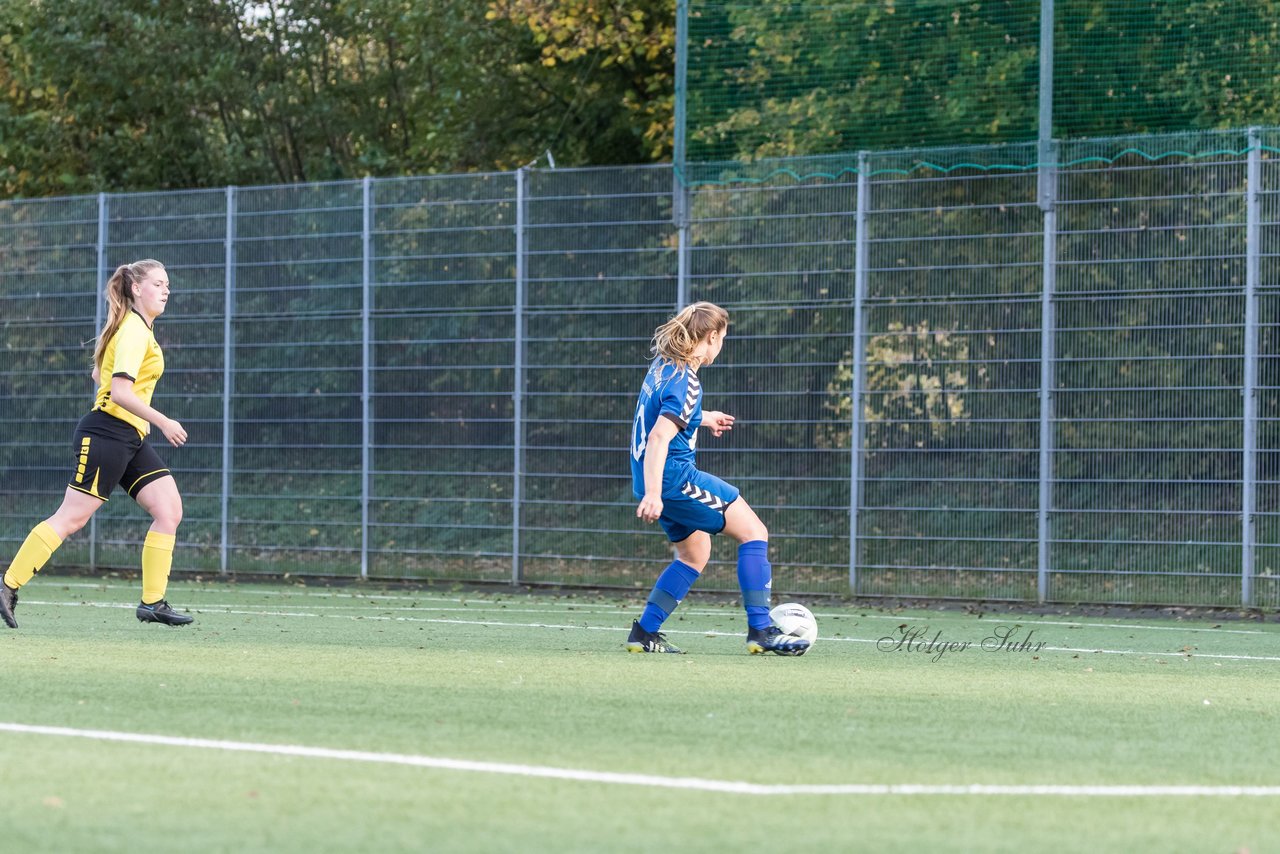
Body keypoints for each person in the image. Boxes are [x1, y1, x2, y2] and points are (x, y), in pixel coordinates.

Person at [0, 260, 193, 629]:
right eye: (158, 283)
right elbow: (118, 391)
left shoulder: (135, 329)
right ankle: (7, 584)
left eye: (168, 283)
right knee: (72, 518)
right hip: (107, 433)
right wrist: (164, 420)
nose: (166, 289)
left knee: (168, 510)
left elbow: (98, 374)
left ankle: (152, 603)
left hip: (129, 437)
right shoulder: (135, 331)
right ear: (137, 289)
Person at [626, 302, 808, 655]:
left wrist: (702, 417)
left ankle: (644, 633)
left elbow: (662, 415)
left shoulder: (664, 368)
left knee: (695, 555)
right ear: (711, 337)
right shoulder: (687, 381)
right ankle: (762, 630)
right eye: (722, 338)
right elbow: (659, 437)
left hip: (653, 478)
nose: (721, 345)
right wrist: (654, 494)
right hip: (673, 480)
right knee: (754, 532)